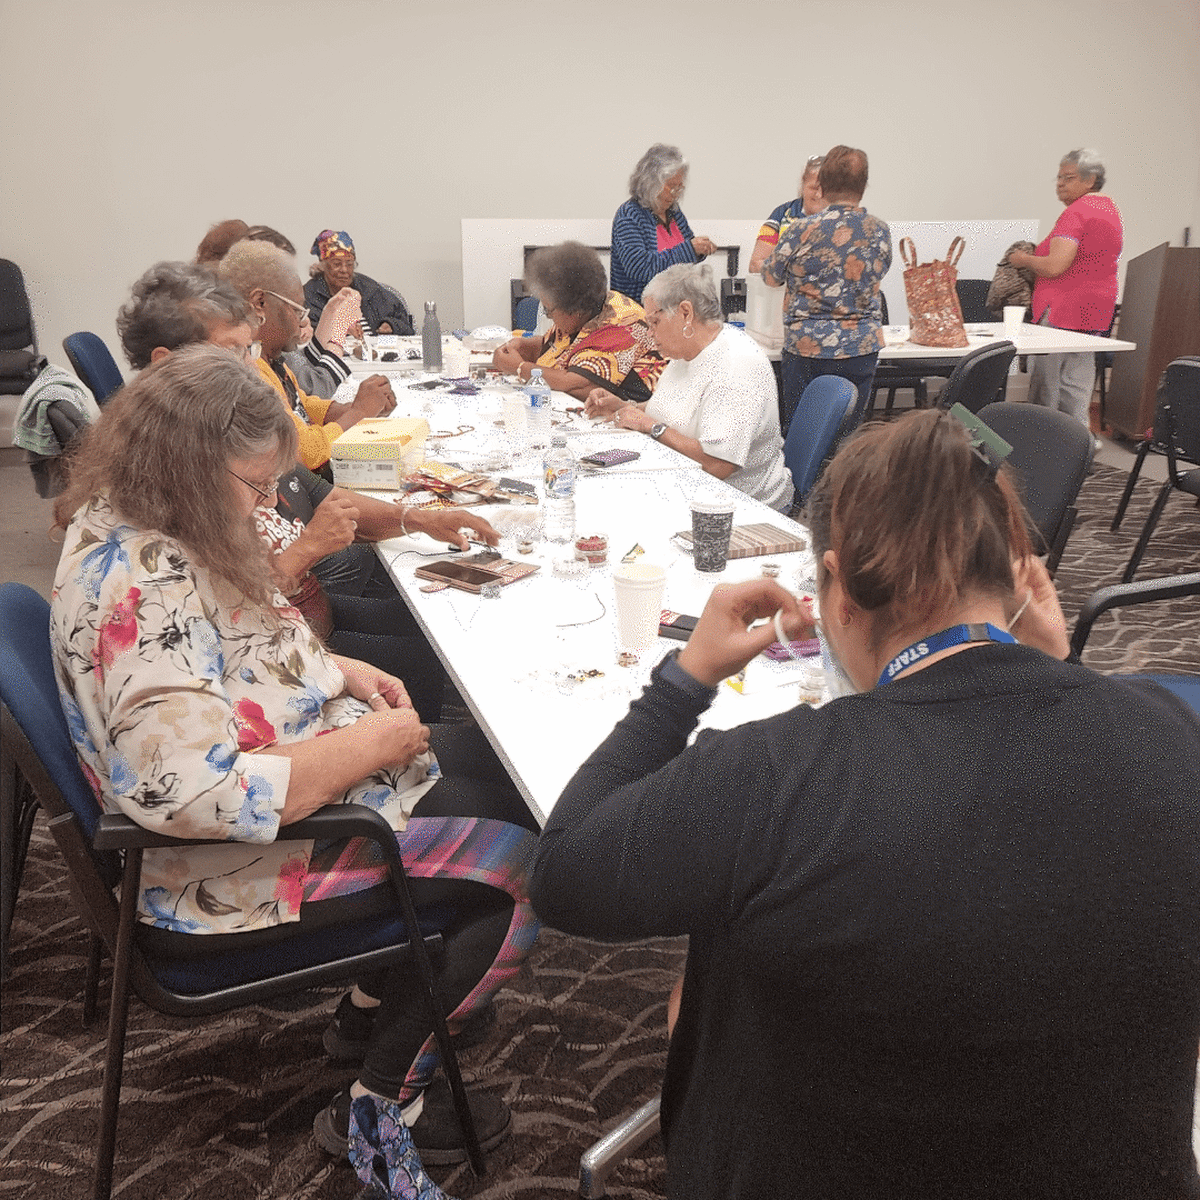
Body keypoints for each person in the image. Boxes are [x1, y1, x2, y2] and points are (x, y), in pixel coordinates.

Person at [530, 406, 1200, 1200]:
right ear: (1021, 576)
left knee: (712, 970)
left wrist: (681, 685)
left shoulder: (774, 774)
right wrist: (1066, 675)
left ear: (837, 593)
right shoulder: (1172, 729)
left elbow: (565, 869)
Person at [51, 346, 538, 1195]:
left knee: (510, 777)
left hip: (292, 798)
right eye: (256, 486)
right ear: (192, 465)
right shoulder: (135, 584)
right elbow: (195, 793)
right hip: (228, 871)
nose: (271, 502)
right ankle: (383, 1105)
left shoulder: (151, 516)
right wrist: (370, 745)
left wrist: (335, 673)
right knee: (532, 862)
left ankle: (376, 1004)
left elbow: (236, 621)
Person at [115, 260, 499, 722]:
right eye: (232, 353)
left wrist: (418, 518)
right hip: (289, 682)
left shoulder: (222, 438)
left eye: (249, 349)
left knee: (444, 640)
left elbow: (312, 491)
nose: (251, 367)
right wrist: (310, 549)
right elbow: (234, 639)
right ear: (168, 364)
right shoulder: (175, 489)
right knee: (441, 659)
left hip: (303, 650)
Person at [584, 263, 791, 510]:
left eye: (654, 322)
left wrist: (650, 426)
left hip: (740, 505)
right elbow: (675, 407)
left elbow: (718, 465)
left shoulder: (737, 366)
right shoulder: (686, 352)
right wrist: (626, 407)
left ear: (685, 313)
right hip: (690, 483)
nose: (650, 334)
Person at [219, 240, 397, 476]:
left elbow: (304, 405)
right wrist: (359, 412)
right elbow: (303, 452)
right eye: (297, 310)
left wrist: (359, 407)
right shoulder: (248, 368)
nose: (303, 322)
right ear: (260, 303)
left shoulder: (269, 359)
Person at [761, 144, 892, 433]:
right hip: (861, 346)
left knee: (803, 435)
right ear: (864, 185)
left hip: (808, 348)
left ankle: (806, 480)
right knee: (847, 434)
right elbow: (881, 270)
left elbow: (771, 277)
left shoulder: (800, 230)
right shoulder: (880, 230)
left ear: (822, 185)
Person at [1007, 149, 1123, 436]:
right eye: (1058, 177)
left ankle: (1039, 443)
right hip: (1096, 311)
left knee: (1046, 384)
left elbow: (1056, 266)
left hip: (1062, 309)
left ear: (1091, 179)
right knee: (1077, 383)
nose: (1059, 183)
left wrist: (1024, 260)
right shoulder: (1110, 210)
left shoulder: (1076, 213)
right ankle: (1078, 445)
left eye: (1068, 177)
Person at [491, 241, 664, 401]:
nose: (549, 316)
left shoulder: (622, 325)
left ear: (574, 311)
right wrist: (524, 346)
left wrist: (519, 368)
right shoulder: (586, 310)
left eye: (549, 310)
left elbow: (578, 383)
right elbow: (557, 348)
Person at [609, 144, 716, 305]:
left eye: (679, 188)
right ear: (651, 183)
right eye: (671, 188)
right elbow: (640, 268)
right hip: (638, 314)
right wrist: (690, 249)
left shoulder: (674, 212)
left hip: (672, 312)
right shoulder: (629, 215)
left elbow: (686, 253)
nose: (675, 195)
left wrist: (699, 251)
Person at [305, 229, 415, 337]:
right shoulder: (308, 296)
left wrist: (391, 325)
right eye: (337, 264)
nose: (344, 270)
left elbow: (406, 324)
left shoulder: (370, 289)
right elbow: (307, 337)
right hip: (332, 353)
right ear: (322, 266)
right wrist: (340, 331)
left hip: (375, 350)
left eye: (349, 264)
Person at [746, 154, 826, 274]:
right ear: (803, 184)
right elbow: (755, 264)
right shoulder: (781, 214)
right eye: (814, 188)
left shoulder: (840, 217)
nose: (818, 194)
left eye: (825, 188)